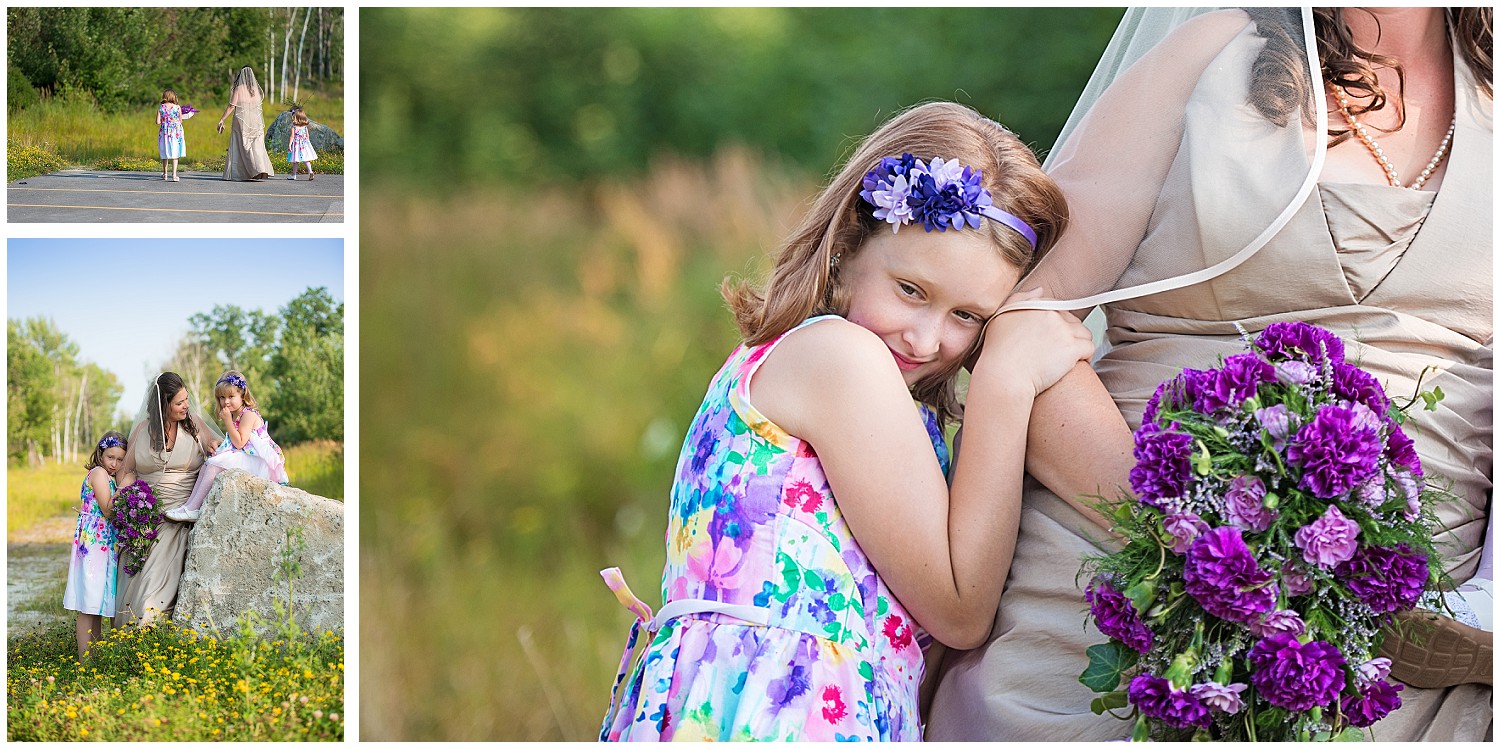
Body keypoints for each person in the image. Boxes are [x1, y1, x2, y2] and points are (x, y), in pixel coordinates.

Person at [925, 7, 1492, 741]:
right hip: (1132, 600)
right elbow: (1025, 318)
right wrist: (1211, 544)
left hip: (1409, 674)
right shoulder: (1210, 48)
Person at [597, 101, 1095, 741]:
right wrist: (1004, 380)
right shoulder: (838, 357)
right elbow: (963, 611)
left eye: (968, 317)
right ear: (847, 248)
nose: (925, 337)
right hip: (780, 709)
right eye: (911, 290)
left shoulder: (867, 392)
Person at [114, 372, 222, 626]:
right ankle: (131, 637)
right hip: (146, 517)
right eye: (179, 402)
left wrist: (215, 445)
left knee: (153, 587)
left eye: (186, 399)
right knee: (134, 576)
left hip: (181, 517)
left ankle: (146, 629)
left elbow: (216, 447)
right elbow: (128, 470)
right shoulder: (143, 429)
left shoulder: (194, 425)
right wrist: (124, 496)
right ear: (164, 405)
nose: (186, 406)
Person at [166, 370, 288, 523]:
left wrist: (228, 421)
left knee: (214, 465)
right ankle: (189, 506)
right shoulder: (236, 414)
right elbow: (234, 442)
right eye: (222, 397)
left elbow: (240, 442)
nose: (226, 401)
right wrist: (221, 442)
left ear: (242, 394)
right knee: (207, 465)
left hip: (259, 461)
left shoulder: (248, 415)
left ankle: (193, 509)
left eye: (231, 396)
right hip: (248, 455)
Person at [62, 431, 130, 659]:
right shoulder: (99, 473)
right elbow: (108, 510)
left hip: (102, 543)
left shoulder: (108, 476)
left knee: (96, 603)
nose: (115, 463)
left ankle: (95, 657)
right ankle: (85, 660)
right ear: (100, 453)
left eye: (120, 459)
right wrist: (124, 486)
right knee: (88, 602)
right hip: (93, 545)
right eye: (111, 457)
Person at [216, 66, 274, 181]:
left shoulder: (238, 89)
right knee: (257, 146)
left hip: (242, 120)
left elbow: (231, 106)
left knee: (242, 145)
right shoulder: (255, 89)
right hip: (255, 120)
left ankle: (251, 171)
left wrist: (222, 119)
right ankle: (261, 170)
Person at [157, 89, 185, 182]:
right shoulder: (177, 107)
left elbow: (157, 122)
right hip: (175, 132)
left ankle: (165, 174)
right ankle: (174, 175)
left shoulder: (161, 107)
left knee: (165, 153)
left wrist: (165, 121)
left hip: (164, 133)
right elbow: (181, 121)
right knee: (175, 152)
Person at [286, 107, 318, 181]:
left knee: (295, 160)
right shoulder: (305, 127)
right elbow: (307, 136)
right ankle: (310, 171)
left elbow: (292, 136)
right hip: (304, 145)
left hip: (297, 145)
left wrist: (290, 144)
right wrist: (307, 144)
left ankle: (293, 175)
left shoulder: (293, 126)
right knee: (306, 159)